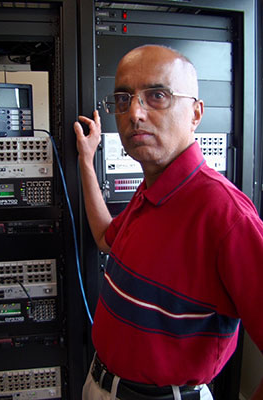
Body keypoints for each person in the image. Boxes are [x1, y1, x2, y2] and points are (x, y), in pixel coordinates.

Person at [74, 45, 263, 400]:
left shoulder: (226, 215)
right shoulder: (151, 190)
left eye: (157, 95)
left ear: (196, 113)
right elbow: (103, 237)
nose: (135, 113)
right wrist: (87, 160)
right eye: (123, 98)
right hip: (98, 384)